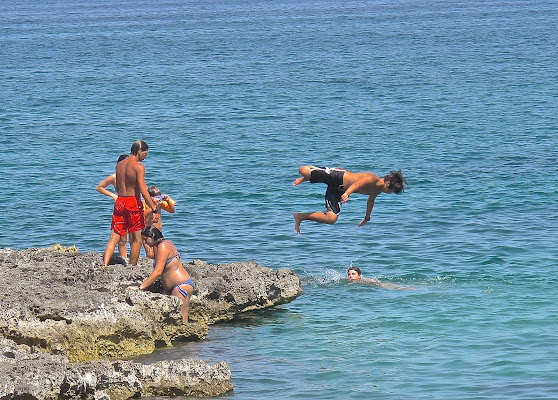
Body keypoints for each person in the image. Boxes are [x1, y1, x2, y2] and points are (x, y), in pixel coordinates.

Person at [292, 165, 406, 233]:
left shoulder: (378, 190)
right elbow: (356, 185)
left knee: (331, 219)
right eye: (389, 189)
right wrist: (347, 194)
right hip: (337, 177)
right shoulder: (372, 178)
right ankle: (308, 175)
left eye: (391, 192)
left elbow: (371, 201)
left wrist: (367, 218)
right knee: (302, 170)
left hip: (338, 191)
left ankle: (301, 217)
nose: (388, 192)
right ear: (388, 182)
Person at [102, 140, 159, 268]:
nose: (146, 156)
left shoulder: (120, 165)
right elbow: (143, 190)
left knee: (114, 236)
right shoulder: (139, 167)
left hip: (120, 201)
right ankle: (132, 266)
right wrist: (154, 208)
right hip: (133, 202)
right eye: (145, 153)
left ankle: (104, 265)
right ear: (139, 152)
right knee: (136, 238)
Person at [128, 226, 194, 323]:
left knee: (181, 323)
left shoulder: (163, 246)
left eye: (146, 239)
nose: (144, 243)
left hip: (180, 287)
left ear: (153, 236)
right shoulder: (162, 245)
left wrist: (140, 287)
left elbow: (158, 271)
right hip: (170, 289)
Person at [97, 154, 129, 259]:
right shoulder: (115, 177)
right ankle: (108, 261)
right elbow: (99, 187)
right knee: (116, 236)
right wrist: (112, 195)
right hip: (121, 206)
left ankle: (124, 259)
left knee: (125, 238)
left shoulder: (133, 176)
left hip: (133, 206)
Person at [142, 185, 176, 258]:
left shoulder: (160, 204)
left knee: (157, 252)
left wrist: (167, 201)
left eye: (159, 197)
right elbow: (142, 215)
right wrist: (153, 206)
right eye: (156, 198)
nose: (158, 200)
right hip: (147, 232)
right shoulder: (144, 204)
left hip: (158, 231)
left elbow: (172, 210)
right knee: (150, 254)